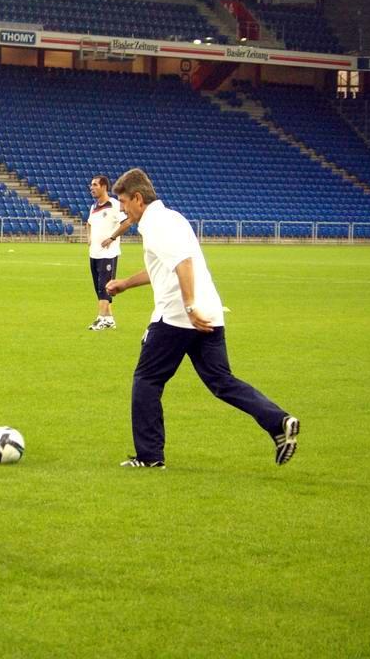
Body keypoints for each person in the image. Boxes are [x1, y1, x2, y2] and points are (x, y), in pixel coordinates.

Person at [105, 168, 299, 468]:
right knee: (222, 381)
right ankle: (279, 422)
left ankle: (150, 457)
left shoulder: (155, 224)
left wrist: (189, 306)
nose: (122, 209)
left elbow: (183, 264)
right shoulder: (173, 218)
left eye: (124, 201)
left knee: (147, 380)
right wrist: (126, 284)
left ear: (138, 198)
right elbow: (166, 266)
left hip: (179, 317)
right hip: (208, 312)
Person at [85, 174, 132, 331]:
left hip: (108, 254)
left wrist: (112, 237)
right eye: (91, 185)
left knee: (105, 286)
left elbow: (127, 222)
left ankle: (100, 318)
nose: (91, 188)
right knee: (98, 287)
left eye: (95, 185)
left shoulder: (114, 204)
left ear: (104, 187)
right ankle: (109, 318)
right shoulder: (94, 207)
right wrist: (89, 237)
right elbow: (88, 223)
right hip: (94, 253)